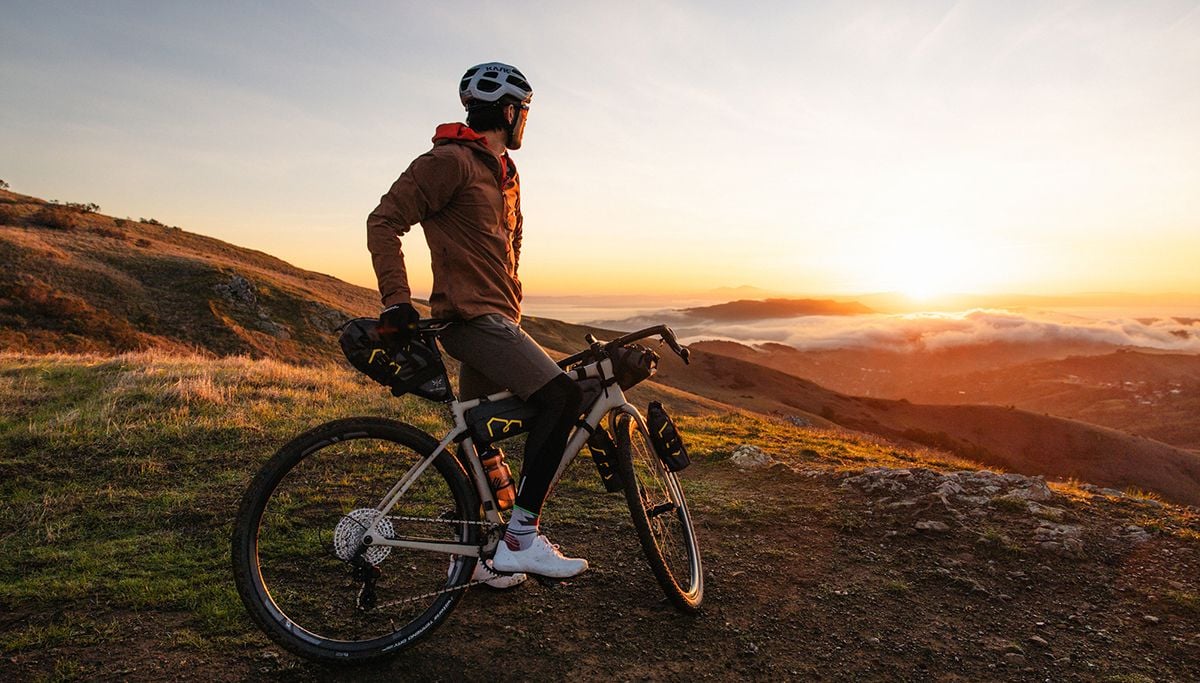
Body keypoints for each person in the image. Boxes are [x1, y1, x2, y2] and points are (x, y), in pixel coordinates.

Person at [366, 63, 587, 586]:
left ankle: (479, 558)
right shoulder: (448, 162)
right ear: (510, 111)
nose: (526, 123)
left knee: (481, 441)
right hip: (472, 319)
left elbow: (511, 246)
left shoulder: (505, 173)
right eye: (525, 112)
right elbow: (384, 222)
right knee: (562, 400)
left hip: (497, 318)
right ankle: (520, 540)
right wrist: (397, 300)